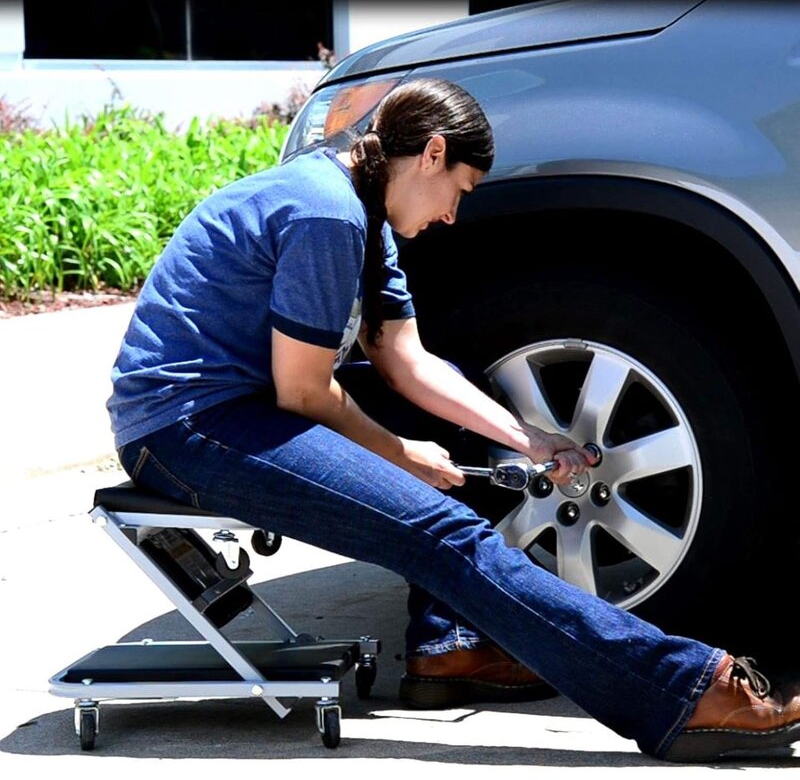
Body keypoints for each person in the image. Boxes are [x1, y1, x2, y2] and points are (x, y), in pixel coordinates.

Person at [107, 78, 800, 762]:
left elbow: (406, 362)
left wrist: (529, 440)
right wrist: (402, 455)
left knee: (463, 399)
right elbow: (303, 392)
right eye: (459, 191)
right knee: (440, 535)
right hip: (188, 430)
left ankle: (450, 647)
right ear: (432, 153)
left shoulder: (363, 211)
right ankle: (680, 693)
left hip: (246, 404)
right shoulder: (325, 213)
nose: (452, 216)